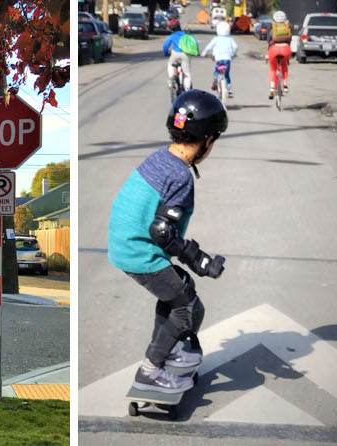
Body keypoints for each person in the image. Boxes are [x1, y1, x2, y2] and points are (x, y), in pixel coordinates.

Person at [107, 90, 228, 393]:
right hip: (139, 252)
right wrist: (199, 260)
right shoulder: (181, 176)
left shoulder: (160, 157)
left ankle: (165, 350)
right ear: (207, 141)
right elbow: (162, 231)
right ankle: (150, 371)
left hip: (125, 244)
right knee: (189, 309)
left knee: (176, 291)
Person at [202, 21, 238, 97]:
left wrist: (204, 53)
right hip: (227, 59)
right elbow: (235, 47)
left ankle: (215, 81)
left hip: (218, 59)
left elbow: (208, 47)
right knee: (227, 75)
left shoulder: (216, 39)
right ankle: (229, 90)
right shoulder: (230, 39)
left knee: (216, 71)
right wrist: (233, 54)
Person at [267, 10, 294, 99]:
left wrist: (268, 54)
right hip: (286, 49)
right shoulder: (288, 27)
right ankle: (285, 85)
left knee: (273, 68)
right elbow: (290, 40)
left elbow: (269, 41)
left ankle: (271, 88)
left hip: (274, 50)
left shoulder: (272, 28)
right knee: (284, 65)